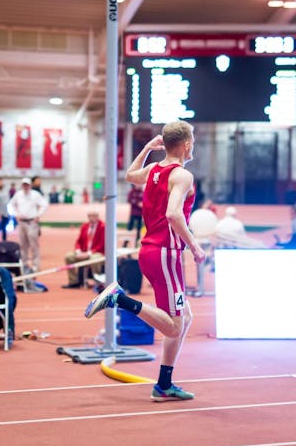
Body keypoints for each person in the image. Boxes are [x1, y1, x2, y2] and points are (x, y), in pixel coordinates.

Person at [85, 120, 206, 402]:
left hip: (151, 251)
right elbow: (174, 215)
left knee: (184, 318)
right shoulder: (181, 175)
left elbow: (129, 175)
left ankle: (164, 384)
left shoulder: (154, 169)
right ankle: (119, 298)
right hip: (166, 253)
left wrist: (148, 149)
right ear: (187, 144)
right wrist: (195, 246)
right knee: (175, 326)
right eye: (193, 142)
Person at [8, 177, 48, 288]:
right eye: (24, 185)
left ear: (30, 185)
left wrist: (38, 215)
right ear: (22, 185)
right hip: (21, 223)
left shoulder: (35, 194)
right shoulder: (18, 194)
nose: (25, 186)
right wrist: (14, 214)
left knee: (34, 245)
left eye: (27, 185)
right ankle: (24, 265)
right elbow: (10, 205)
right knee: (22, 245)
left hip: (32, 223)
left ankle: (35, 266)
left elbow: (44, 204)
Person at [62, 210, 105, 289]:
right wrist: (78, 251)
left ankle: (98, 283)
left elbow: (101, 244)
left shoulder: (103, 227)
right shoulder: (85, 226)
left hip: (97, 252)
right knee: (69, 257)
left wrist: (88, 253)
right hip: (83, 252)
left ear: (97, 217)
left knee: (95, 259)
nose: (91, 218)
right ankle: (74, 282)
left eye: (93, 216)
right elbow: (78, 241)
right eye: (89, 216)